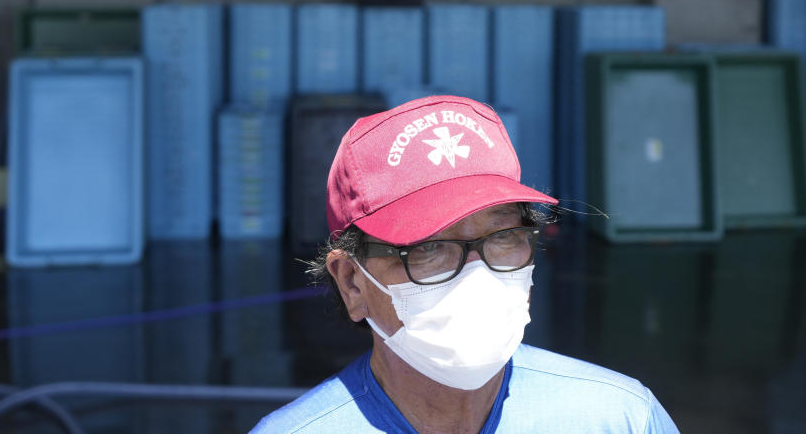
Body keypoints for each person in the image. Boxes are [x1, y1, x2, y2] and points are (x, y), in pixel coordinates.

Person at [251, 95, 679, 433]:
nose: (478, 274)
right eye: (427, 247)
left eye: (503, 236)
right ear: (352, 283)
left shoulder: (617, 420)